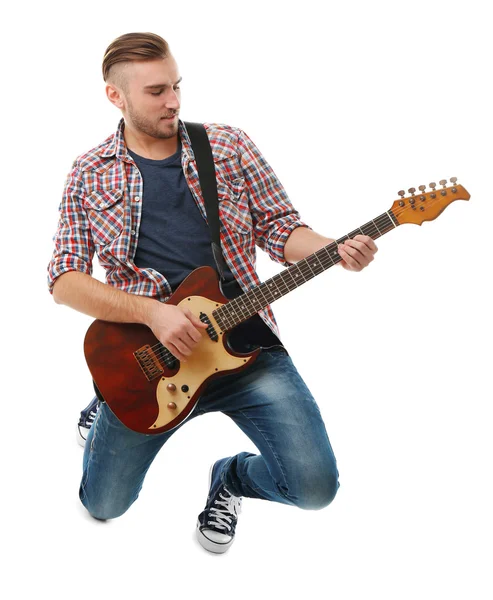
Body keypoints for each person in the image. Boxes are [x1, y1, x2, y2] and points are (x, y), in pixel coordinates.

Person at [47, 32, 378, 554]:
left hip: (244, 345)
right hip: (151, 357)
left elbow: (280, 227)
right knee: (103, 505)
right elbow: (64, 279)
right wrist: (154, 315)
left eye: (177, 86)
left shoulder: (227, 145)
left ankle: (231, 477)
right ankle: (109, 392)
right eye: (156, 91)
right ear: (116, 95)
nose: (174, 101)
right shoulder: (89, 173)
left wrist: (333, 248)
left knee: (315, 490)